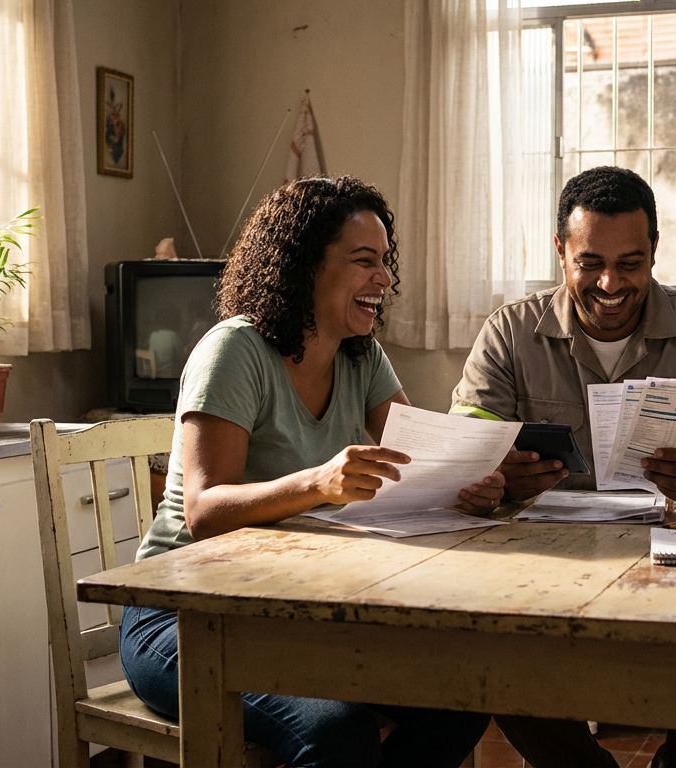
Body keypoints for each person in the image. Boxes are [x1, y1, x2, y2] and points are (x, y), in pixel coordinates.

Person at [120, 177, 495, 767]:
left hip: (289, 612)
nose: (384, 278)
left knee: (465, 698)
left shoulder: (360, 354)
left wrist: (468, 481)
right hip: (183, 616)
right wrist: (316, 483)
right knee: (336, 731)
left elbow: (416, 459)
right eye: (364, 260)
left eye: (385, 262)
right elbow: (203, 512)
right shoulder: (234, 351)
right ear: (303, 265)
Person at [452, 165, 676, 767]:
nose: (610, 283)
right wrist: (496, 479)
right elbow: (463, 451)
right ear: (560, 251)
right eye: (590, 263)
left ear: (654, 250)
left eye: (630, 264)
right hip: (542, 569)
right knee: (496, 660)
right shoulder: (510, 333)